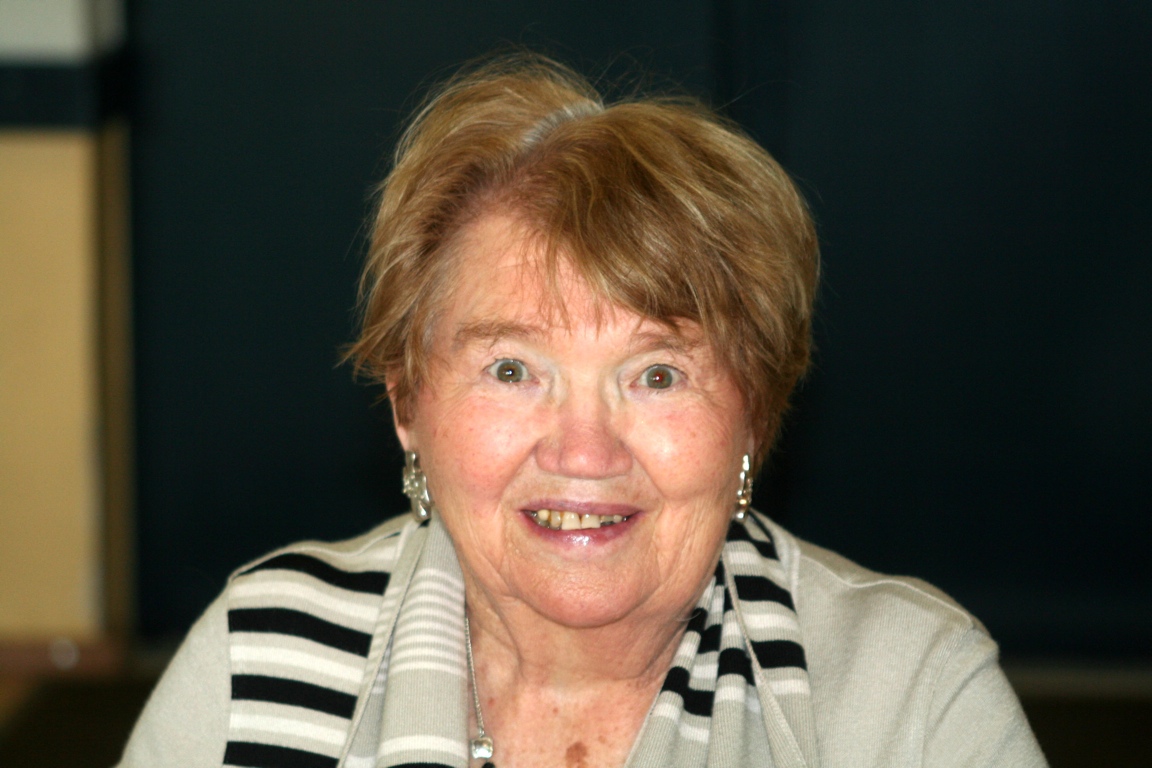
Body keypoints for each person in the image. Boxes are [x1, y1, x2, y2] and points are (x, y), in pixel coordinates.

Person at [117, 55, 1046, 768]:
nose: (585, 450)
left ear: (755, 416)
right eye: (512, 368)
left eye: (657, 375)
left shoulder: (904, 696)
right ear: (406, 402)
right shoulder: (259, 663)